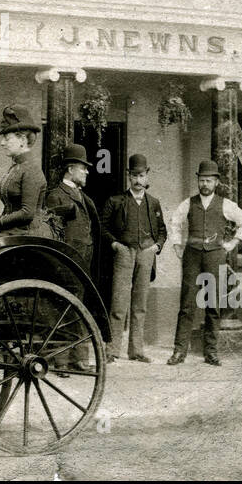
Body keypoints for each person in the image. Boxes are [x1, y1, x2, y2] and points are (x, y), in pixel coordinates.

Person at [167, 160, 242, 366]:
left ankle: (211, 352)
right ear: (198, 181)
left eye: (208, 180)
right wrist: (177, 245)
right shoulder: (188, 203)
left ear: (216, 182)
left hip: (215, 256)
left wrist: (232, 243)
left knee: (213, 305)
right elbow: (175, 222)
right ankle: (179, 351)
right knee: (187, 304)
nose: (204, 184)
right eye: (201, 180)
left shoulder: (226, 204)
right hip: (192, 256)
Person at [42, 143, 103, 372]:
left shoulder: (83, 197)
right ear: (70, 169)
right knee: (63, 308)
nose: (86, 172)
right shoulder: (55, 196)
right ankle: (61, 360)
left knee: (78, 307)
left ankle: (78, 358)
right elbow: (54, 235)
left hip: (82, 263)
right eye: (83, 168)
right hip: (66, 264)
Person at [101, 153, 167, 364]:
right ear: (128, 176)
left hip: (146, 253)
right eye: (134, 176)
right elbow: (102, 227)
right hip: (124, 253)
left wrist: (156, 247)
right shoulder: (116, 201)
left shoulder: (154, 203)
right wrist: (115, 244)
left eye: (141, 176)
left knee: (140, 305)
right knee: (119, 303)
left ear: (147, 176)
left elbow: (162, 231)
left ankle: (136, 350)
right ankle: (112, 350)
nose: (138, 180)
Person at [0, 104, 49, 237]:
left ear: (22, 140)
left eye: (7, 138)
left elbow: (27, 213)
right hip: (12, 231)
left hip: (27, 233)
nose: (2, 143)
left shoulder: (31, 170)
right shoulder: (16, 168)